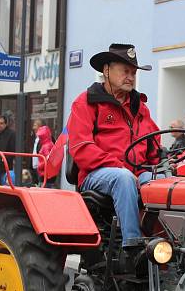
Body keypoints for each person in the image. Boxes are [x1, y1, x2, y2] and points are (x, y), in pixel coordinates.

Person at [67, 43, 159, 253]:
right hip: (96, 174)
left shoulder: (140, 107)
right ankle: (133, 247)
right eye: (125, 71)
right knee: (123, 179)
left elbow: (154, 145)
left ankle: (164, 247)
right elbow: (82, 148)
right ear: (106, 70)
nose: (131, 77)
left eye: (133, 73)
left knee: (163, 184)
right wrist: (119, 166)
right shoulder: (86, 102)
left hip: (136, 173)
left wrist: (165, 162)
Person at [31, 119, 53, 185]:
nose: (33, 128)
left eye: (35, 125)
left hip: (43, 171)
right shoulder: (36, 139)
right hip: (37, 169)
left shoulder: (46, 143)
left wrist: (40, 166)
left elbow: (48, 158)